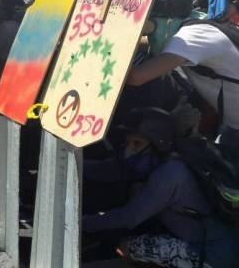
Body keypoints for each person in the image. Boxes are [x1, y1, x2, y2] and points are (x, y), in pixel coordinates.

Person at [83, 107, 238, 268]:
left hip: (210, 254)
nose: (129, 149)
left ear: (158, 143)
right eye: (128, 142)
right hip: (195, 239)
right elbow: (111, 169)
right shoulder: (153, 159)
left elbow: (127, 218)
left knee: (127, 247)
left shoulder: (171, 173)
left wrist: (82, 224)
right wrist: (77, 163)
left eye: (137, 143)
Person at [127, 0, 239, 169]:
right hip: (230, 122)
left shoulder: (193, 36)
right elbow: (152, 41)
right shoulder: (194, 23)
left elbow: (136, 77)